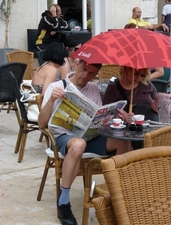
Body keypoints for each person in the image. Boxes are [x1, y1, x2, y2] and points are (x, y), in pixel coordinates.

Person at [38, 59, 131, 225]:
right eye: (84, 69)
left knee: (123, 142)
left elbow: (98, 119)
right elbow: (41, 124)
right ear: (76, 65)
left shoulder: (93, 88)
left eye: (91, 73)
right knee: (78, 144)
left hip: (90, 136)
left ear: (96, 75)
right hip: (63, 138)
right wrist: (51, 100)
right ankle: (64, 201)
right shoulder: (56, 87)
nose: (86, 76)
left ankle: (117, 193)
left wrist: (113, 116)